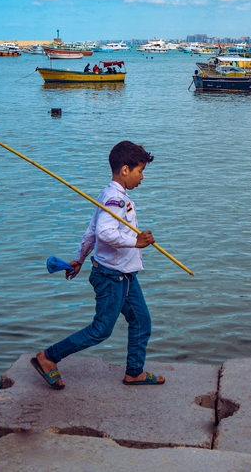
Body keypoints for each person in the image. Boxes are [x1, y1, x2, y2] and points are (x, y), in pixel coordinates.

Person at [32, 141, 164, 389]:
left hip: (124, 276)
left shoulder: (110, 195)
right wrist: (135, 241)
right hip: (111, 277)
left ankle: (134, 372)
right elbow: (104, 233)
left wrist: (79, 259)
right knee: (101, 329)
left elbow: (91, 231)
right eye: (140, 171)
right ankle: (47, 358)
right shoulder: (115, 199)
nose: (142, 177)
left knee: (141, 321)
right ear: (125, 170)